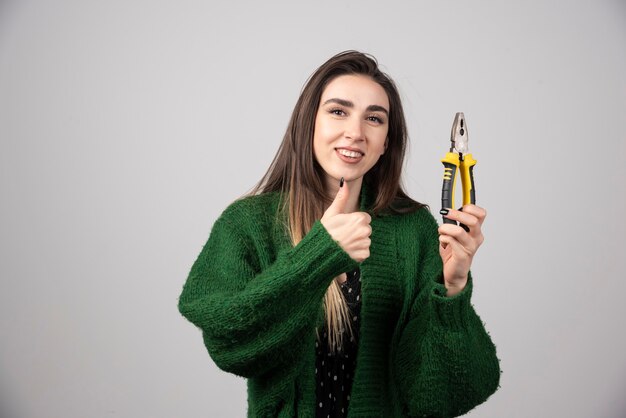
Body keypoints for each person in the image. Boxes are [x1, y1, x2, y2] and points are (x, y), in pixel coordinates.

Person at [178, 50, 500, 417]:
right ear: (308, 123)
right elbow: (231, 345)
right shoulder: (248, 224)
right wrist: (320, 254)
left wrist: (453, 290)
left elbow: (446, 395)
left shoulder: (414, 231)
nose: (356, 132)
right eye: (338, 111)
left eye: (374, 119)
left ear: (386, 142)